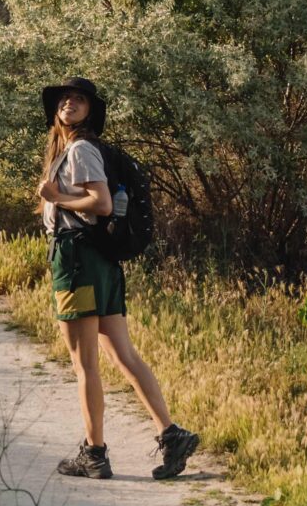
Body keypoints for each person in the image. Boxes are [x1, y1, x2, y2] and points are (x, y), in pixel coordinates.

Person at [37, 76, 199, 482]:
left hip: (78, 259)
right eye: (64, 100)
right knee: (121, 355)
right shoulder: (75, 150)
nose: (69, 104)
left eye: (79, 100)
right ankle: (171, 433)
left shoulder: (81, 150)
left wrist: (57, 198)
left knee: (84, 364)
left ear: (91, 111)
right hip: (100, 262)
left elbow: (102, 203)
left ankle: (94, 453)